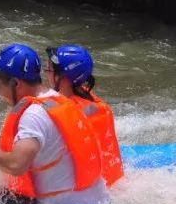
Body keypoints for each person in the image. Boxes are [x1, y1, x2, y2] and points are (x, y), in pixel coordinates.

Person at [0, 43, 109, 204]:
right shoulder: (58, 98)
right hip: (95, 202)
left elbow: (17, 165)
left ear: (16, 83)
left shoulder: (33, 116)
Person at [45, 44, 124, 187]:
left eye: (48, 70)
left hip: (90, 191)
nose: (46, 74)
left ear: (62, 77)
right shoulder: (91, 100)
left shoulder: (66, 112)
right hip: (113, 182)